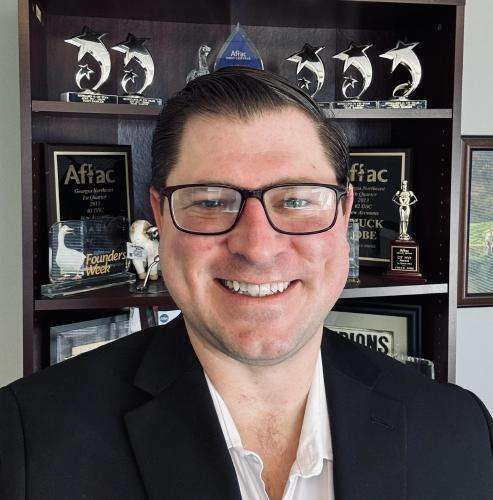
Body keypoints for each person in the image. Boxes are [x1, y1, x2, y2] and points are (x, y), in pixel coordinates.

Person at [0, 68, 492, 500]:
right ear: (160, 217)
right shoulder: (26, 438)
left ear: (344, 214)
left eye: (296, 201)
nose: (258, 247)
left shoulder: (459, 429)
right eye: (210, 202)